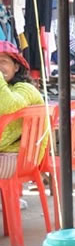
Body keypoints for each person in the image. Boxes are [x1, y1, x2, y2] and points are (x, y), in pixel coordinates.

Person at [0, 41, 44, 178]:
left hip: (21, 160)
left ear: (17, 67)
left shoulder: (26, 88)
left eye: (3, 61)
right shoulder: (6, 89)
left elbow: (9, 105)